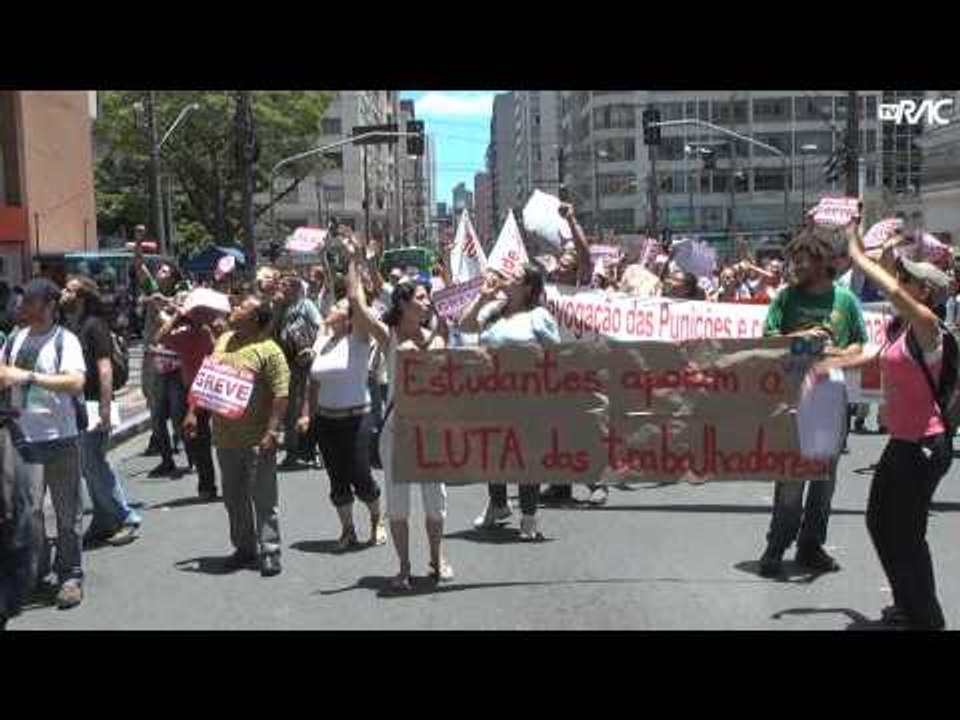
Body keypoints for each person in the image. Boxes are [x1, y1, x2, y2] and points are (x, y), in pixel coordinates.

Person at [813, 222, 952, 629]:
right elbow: (874, 356)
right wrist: (828, 363)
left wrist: (858, 257)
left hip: (925, 445)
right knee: (878, 521)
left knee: (907, 534)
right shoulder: (902, 329)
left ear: (923, 292)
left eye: (907, 278)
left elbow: (889, 287)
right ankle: (907, 603)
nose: (898, 280)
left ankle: (926, 618)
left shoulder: (927, 325)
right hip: (903, 442)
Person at [341, 231, 453, 590]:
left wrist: (448, 261)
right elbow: (358, 304)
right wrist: (355, 261)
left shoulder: (438, 331)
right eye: (422, 297)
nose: (428, 301)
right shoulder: (388, 336)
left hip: (432, 428)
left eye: (429, 296)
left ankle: (437, 557)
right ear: (404, 303)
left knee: (435, 502)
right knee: (399, 501)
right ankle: (404, 566)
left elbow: (453, 300)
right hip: (398, 428)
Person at [758, 227, 867, 578]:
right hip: (792, 401)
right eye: (794, 260)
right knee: (791, 478)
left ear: (821, 261)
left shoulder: (845, 300)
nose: (795, 266)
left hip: (831, 401)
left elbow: (858, 346)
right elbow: (769, 340)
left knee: (824, 481)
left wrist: (835, 353)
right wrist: (801, 338)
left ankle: (811, 546)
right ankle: (776, 546)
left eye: (802, 260)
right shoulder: (786, 298)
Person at [0, 278, 87, 612]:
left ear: (50, 305)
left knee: (67, 514)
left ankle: (70, 576)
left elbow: (76, 381)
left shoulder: (66, 341)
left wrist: (29, 377)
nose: (25, 306)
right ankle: (37, 571)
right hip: (22, 441)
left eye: (33, 301)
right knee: (29, 514)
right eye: (24, 301)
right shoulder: (14, 339)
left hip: (60, 439)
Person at [462, 264, 561, 538]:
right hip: (492, 396)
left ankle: (528, 517)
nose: (505, 279)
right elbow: (465, 326)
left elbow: (557, 355)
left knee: (525, 456)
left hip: (527, 398)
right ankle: (498, 504)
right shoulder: (494, 311)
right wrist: (483, 297)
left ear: (527, 287)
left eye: (513, 277)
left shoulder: (538, 316)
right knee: (494, 453)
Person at [299, 237, 386, 551]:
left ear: (350, 318)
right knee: (336, 479)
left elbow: (353, 297)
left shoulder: (360, 338)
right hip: (326, 420)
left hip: (356, 419)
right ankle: (347, 529)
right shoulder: (323, 338)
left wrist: (354, 259)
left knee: (361, 476)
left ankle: (377, 520)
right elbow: (315, 383)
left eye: (337, 307)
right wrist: (307, 414)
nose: (330, 307)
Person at [201, 293, 289, 577]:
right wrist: (193, 413)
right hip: (225, 438)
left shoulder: (269, 350)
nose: (234, 308)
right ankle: (244, 548)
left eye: (241, 307)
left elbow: (281, 394)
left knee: (263, 498)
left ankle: (270, 551)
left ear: (254, 317)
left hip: (256, 439)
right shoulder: (224, 340)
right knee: (233, 498)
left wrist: (272, 431)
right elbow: (209, 379)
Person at [60, 276, 141, 547]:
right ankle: (104, 520)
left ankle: (125, 517)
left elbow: (104, 369)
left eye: (69, 290)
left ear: (82, 296)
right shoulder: (73, 326)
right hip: (79, 406)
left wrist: (106, 408)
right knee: (88, 465)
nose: (63, 293)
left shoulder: (94, 326)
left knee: (95, 463)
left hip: (95, 405)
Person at [156, 290, 229, 501]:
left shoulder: (191, 334)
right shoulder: (207, 331)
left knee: (201, 440)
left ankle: (208, 486)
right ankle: (223, 482)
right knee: (212, 438)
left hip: (202, 389)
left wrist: (177, 317)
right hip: (210, 387)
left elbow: (160, 337)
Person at [275, 272, 322, 470]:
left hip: (307, 361)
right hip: (290, 362)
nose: (281, 288)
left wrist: (314, 350)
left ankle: (313, 451)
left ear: (295, 288)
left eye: (285, 285)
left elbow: (321, 326)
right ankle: (293, 452)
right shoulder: (283, 308)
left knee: (308, 407)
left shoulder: (307, 305)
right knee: (291, 410)